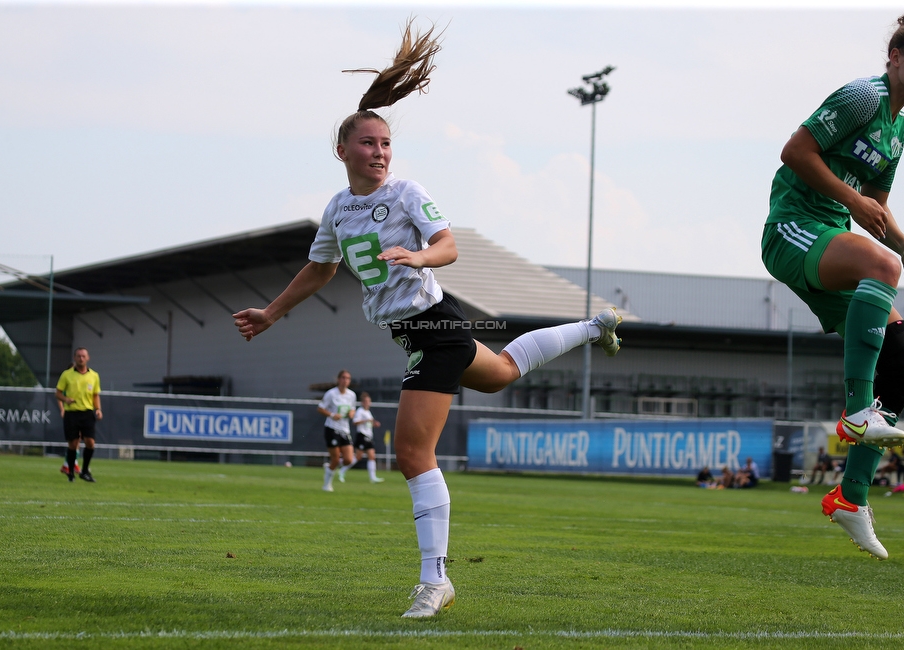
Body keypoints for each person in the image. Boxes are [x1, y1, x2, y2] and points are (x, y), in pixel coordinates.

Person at [232, 19, 621, 618]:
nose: (381, 153)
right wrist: (272, 313)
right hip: (416, 335)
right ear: (342, 151)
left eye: (386, 144)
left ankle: (435, 580)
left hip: (434, 324)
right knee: (503, 371)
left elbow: (448, 246)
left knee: (413, 453)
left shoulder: (408, 192)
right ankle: (596, 327)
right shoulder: (337, 209)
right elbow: (319, 270)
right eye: (369, 144)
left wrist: (418, 254)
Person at [761, 5, 904, 560]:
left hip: (831, 235)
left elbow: (873, 203)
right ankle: (858, 411)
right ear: (896, 57)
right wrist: (856, 205)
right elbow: (795, 152)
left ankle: (851, 497)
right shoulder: (862, 96)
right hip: (794, 228)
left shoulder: (900, 127)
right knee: (879, 267)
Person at [55, 348, 102, 483]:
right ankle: (70, 473)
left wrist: (98, 409)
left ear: (88, 358)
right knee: (73, 443)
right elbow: (57, 393)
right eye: (78, 356)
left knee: (90, 442)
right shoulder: (67, 375)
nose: (81, 358)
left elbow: (95, 395)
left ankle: (85, 471)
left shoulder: (94, 376)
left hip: (87, 413)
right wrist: (66, 400)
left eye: (83, 356)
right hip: (72, 413)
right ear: (75, 358)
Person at [317, 369, 356, 492]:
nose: (345, 380)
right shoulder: (331, 394)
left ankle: (329, 468)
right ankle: (326, 485)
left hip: (345, 430)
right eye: (343, 377)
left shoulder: (352, 395)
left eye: (348, 378)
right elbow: (320, 408)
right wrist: (332, 415)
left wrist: (351, 413)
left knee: (349, 459)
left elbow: (353, 409)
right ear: (338, 379)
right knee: (335, 458)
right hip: (332, 428)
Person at [341, 391, 385, 484]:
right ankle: (342, 470)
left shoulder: (368, 412)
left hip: (369, 436)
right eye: (365, 401)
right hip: (362, 435)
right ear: (362, 402)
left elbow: (369, 422)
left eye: (368, 401)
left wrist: (374, 424)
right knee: (358, 457)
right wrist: (365, 420)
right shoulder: (360, 411)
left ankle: (373, 478)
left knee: (372, 456)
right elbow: (355, 422)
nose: (367, 403)